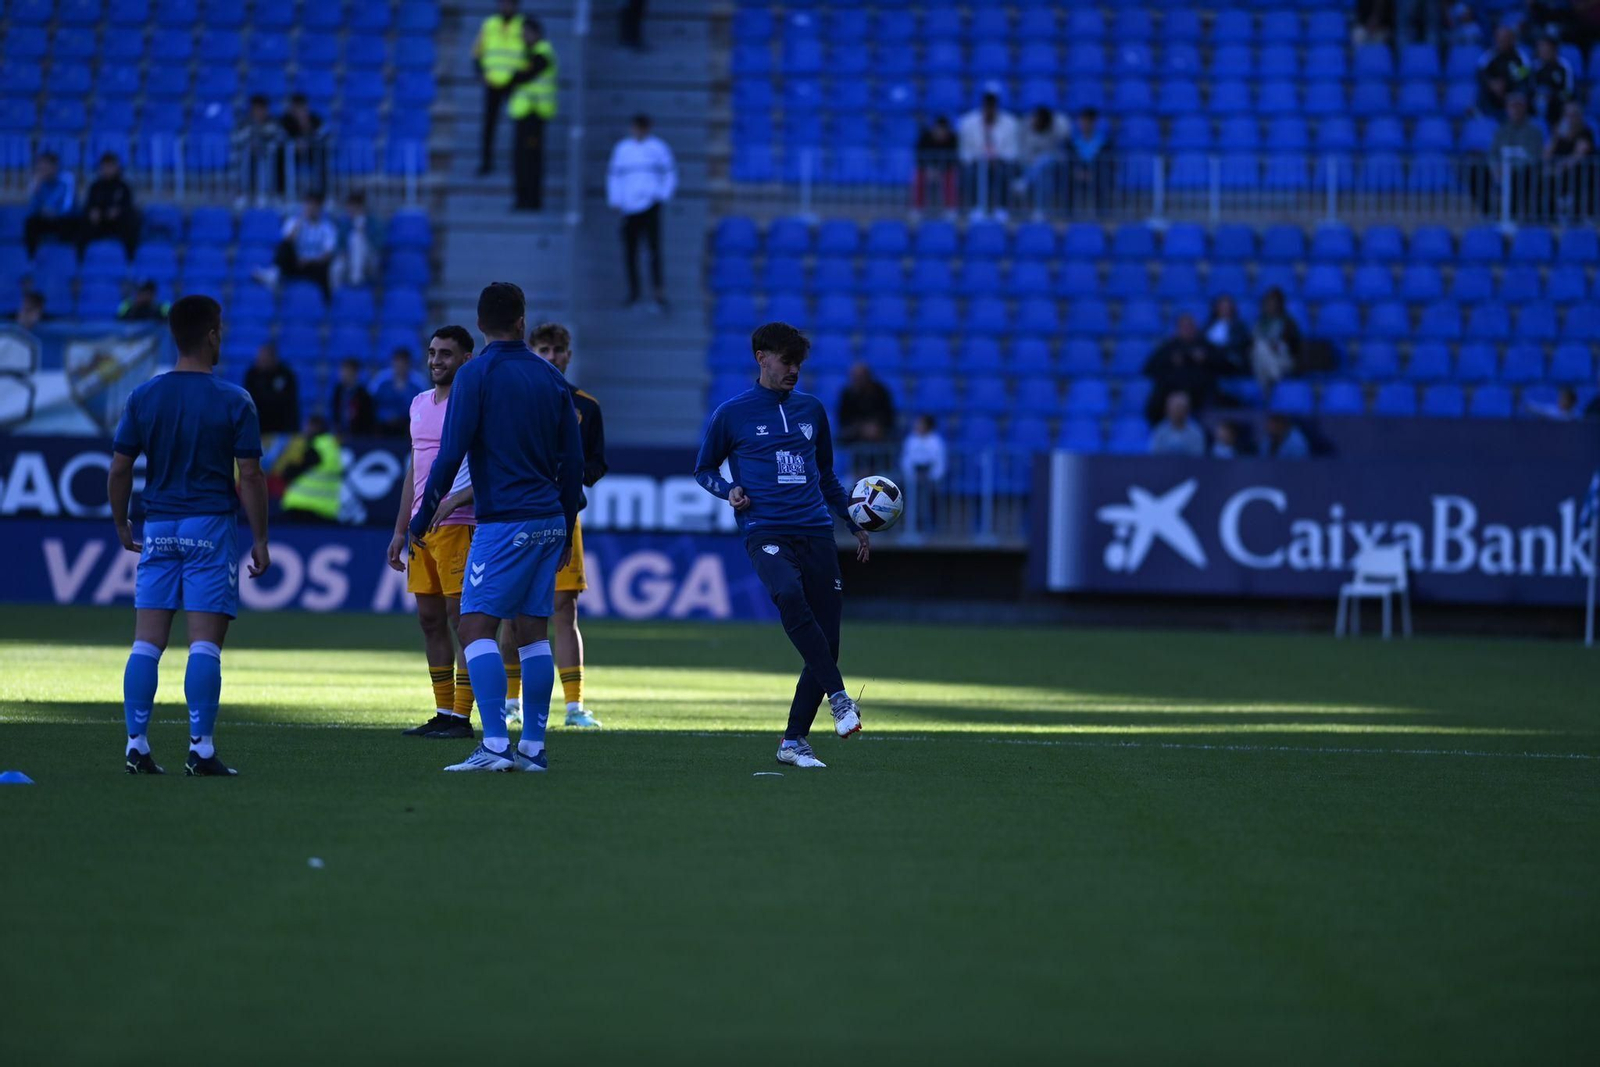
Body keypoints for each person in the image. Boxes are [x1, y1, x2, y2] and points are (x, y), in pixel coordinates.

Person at [408, 282, 584, 773]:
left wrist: (422, 516)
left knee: (474, 625)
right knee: (532, 631)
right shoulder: (551, 378)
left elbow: (450, 454)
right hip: (550, 518)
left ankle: (493, 745)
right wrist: (566, 526)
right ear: (522, 322)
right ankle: (531, 747)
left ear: (480, 325)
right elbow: (574, 462)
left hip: (505, 519)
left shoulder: (476, 374)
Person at [107, 294, 270, 776]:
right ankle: (200, 750)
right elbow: (252, 475)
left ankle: (136, 745)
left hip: (159, 527)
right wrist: (260, 539)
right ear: (212, 335)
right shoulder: (234, 399)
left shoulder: (144, 396)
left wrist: (121, 524)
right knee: (204, 644)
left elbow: (119, 469)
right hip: (209, 527)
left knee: (146, 642)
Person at [694, 323, 868, 770]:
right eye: (786, 361)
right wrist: (728, 490)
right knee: (788, 595)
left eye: (798, 363)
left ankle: (793, 741)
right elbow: (704, 469)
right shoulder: (732, 413)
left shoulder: (812, 410)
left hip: (816, 531)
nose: (793, 370)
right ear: (761, 357)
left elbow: (826, 476)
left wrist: (852, 519)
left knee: (827, 642)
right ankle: (841, 698)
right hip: (766, 530)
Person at [500, 322, 607, 730]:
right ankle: (512, 701)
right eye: (542, 349)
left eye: (557, 350)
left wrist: (573, 472)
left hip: (563, 515)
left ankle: (574, 706)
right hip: (518, 513)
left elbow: (597, 464)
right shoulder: (514, 401)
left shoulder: (587, 407)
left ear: (568, 355)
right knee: (512, 611)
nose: (550, 356)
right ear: (533, 352)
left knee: (565, 608)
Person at [388, 326, 480, 740]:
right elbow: (416, 468)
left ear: (465, 358)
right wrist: (401, 527)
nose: (435, 360)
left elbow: (488, 466)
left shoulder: (474, 405)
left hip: (461, 525)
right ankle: (443, 712)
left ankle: (461, 717)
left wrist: (458, 500)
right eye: (431, 353)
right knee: (429, 620)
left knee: (463, 621)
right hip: (423, 528)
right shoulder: (419, 404)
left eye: (445, 353)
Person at [607, 114, 678, 311]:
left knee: (654, 250)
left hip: (650, 205)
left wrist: (662, 195)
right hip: (629, 207)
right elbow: (614, 175)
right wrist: (616, 199)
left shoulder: (658, 147)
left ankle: (658, 291)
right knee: (630, 251)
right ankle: (634, 291)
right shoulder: (623, 149)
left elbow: (669, 173)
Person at [505, 18, 557, 211]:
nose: (524, 37)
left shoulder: (542, 53)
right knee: (521, 159)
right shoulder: (525, 53)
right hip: (523, 114)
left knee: (531, 160)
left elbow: (524, 75)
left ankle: (532, 200)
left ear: (537, 34)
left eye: (527, 33)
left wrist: (512, 76)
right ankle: (522, 198)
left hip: (535, 114)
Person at [473, 0, 526, 176]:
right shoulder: (489, 24)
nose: (505, 7)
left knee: (519, 125)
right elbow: (477, 51)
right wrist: (480, 72)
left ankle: (517, 162)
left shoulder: (524, 25)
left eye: (509, 4)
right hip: (492, 82)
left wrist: (521, 76)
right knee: (489, 125)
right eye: (503, 3)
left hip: (515, 83)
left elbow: (530, 51)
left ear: (516, 5)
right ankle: (486, 162)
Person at [1143, 314, 1223, 422]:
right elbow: (1148, 368)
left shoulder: (1204, 345)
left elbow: (1224, 365)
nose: (1187, 330)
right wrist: (1170, 360)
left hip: (1199, 393)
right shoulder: (1169, 347)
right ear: (1178, 329)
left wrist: (1206, 358)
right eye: (1184, 327)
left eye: (1190, 327)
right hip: (1171, 392)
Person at [256, 194, 338, 298]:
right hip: (296, 263)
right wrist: (300, 222)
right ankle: (274, 275)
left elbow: (328, 254)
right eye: (309, 204)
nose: (312, 208)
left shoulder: (327, 227)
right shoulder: (294, 222)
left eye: (315, 205)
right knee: (284, 247)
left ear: (320, 208)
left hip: (314, 266)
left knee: (326, 269)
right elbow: (287, 241)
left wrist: (309, 260)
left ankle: (328, 304)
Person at [957, 89, 1019, 218]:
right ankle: (976, 208)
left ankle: (1001, 208)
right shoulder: (968, 122)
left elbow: (1012, 150)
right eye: (987, 105)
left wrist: (997, 158)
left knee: (1004, 172)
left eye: (992, 106)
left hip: (1001, 161)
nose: (990, 109)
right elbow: (964, 150)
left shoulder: (1010, 123)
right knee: (971, 172)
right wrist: (981, 159)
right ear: (983, 106)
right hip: (976, 161)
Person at [1483, 92, 1545, 217]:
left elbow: (1534, 157)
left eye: (1519, 106)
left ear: (1525, 108)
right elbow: (1493, 154)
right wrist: (1496, 168)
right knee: (1477, 172)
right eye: (1512, 106)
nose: (1515, 110)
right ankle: (1489, 212)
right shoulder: (1501, 131)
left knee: (1522, 176)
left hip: (1523, 172)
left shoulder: (1534, 132)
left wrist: (1512, 168)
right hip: (1502, 171)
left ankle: (1514, 214)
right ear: (1507, 109)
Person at [279, 414, 344, 523]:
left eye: (307, 426)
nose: (305, 430)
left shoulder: (317, 448)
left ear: (315, 427)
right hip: (326, 509)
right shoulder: (331, 446)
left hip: (303, 506)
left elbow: (290, 472)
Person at [79, 153, 140, 259]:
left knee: (132, 221)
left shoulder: (123, 186)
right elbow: (89, 205)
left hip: (118, 222)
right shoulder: (95, 186)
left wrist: (119, 211)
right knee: (81, 223)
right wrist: (92, 212)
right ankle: (81, 259)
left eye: (110, 166)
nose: (107, 170)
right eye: (105, 167)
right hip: (99, 222)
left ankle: (130, 259)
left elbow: (128, 206)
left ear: (117, 167)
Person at [1014, 105, 1070, 214]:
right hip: (1032, 166)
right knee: (1044, 176)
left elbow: (1065, 135)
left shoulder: (1056, 126)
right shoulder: (1026, 126)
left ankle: (1025, 182)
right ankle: (1040, 210)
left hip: (1054, 162)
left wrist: (1056, 123)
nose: (1036, 122)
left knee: (1045, 159)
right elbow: (1023, 153)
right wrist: (1034, 164)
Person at [899, 414, 946, 536]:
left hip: (929, 476)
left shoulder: (936, 441)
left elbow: (940, 463)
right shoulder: (911, 439)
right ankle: (910, 526)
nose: (917, 426)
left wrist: (931, 477)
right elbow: (906, 460)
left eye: (920, 424)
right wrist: (911, 476)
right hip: (913, 475)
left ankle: (929, 526)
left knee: (927, 494)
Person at [23, 152, 77, 258]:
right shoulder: (38, 181)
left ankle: (66, 260)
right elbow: (32, 208)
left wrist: (55, 213)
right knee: (31, 223)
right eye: (40, 167)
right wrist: (35, 189)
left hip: (63, 218)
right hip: (45, 218)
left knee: (71, 225)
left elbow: (69, 205)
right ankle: (31, 261)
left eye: (45, 166)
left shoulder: (67, 179)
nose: (42, 169)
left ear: (54, 166)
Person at [1546, 101, 1595, 217]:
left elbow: (1578, 155)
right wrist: (1555, 137)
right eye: (1567, 115)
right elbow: (1545, 156)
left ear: (1580, 117)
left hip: (1582, 177)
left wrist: (1558, 169)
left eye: (1574, 115)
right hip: (1559, 176)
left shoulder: (1586, 133)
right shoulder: (1559, 136)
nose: (1571, 118)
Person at [242, 341, 299, 435]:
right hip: (259, 427)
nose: (261, 361)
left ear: (273, 358)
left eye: (264, 358)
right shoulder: (252, 375)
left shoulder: (286, 375)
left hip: (282, 428)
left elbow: (291, 403)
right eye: (260, 358)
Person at [1251, 287, 1304, 387]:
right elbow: (1253, 341)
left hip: (1283, 359)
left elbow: (1294, 347)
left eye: (1274, 303)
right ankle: (1271, 379)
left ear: (1280, 305)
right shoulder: (1260, 322)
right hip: (1262, 358)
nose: (1270, 306)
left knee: (1262, 348)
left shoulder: (1288, 322)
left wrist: (1277, 346)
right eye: (1268, 303)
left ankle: (1271, 381)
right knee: (1260, 347)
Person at [370, 348, 429, 436]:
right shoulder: (381, 380)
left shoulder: (419, 383)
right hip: (382, 425)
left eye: (404, 362)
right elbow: (371, 401)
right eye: (398, 361)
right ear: (393, 362)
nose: (400, 365)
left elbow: (424, 407)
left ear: (409, 364)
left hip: (408, 426)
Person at [233, 94, 282, 198]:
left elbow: (279, 139)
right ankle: (243, 193)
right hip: (248, 157)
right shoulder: (245, 123)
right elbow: (237, 138)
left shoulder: (273, 123)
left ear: (266, 110)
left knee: (269, 159)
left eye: (262, 109)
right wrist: (250, 144)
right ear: (252, 110)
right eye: (256, 109)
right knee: (244, 156)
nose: (259, 112)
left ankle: (265, 193)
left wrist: (264, 146)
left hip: (267, 156)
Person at [837, 361, 896, 445]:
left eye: (861, 377)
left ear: (868, 376)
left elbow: (888, 415)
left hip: (879, 432)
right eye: (855, 377)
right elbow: (843, 419)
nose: (858, 380)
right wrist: (860, 427)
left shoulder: (880, 391)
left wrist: (875, 425)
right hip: (854, 434)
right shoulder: (847, 394)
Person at [1477, 25, 1530, 118]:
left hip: (1513, 89)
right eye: (1499, 39)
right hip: (1494, 91)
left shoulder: (1521, 56)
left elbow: (1525, 72)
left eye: (1505, 38)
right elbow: (1480, 72)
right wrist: (1492, 83)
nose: (1502, 41)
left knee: (1522, 92)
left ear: (1512, 39)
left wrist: (1505, 83)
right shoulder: (1490, 55)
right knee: (1481, 90)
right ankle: (1484, 117)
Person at [278, 92, 326, 194]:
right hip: (291, 152)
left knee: (323, 155)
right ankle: (282, 191)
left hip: (311, 150)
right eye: (296, 108)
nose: (299, 111)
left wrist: (306, 126)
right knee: (280, 156)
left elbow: (322, 134)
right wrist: (295, 143)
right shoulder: (285, 120)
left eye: (302, 107)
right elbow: (282, 136)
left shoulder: (314, 119)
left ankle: (321, 191)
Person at [332, 191, 382, 289]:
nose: (350, 210)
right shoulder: (345, 223)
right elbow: (338, 245)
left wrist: (364, 232)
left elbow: (379, 245)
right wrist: (341, 252)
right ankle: (336, 296)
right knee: (336, 268)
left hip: (370, 260)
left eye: (353, 207)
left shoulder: (374, 222)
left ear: (360, 207)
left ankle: (356, 280)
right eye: (348, 207)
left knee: (357, 238)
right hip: (348, 258)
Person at [913, 115, 959, 212]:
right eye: (939, 130)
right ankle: (917, 209)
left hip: (945, 170)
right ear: (934, 129)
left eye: (944, 131)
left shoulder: (952, 139)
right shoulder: (925, 137)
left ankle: (950, 209)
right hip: (927, 170)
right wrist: (929, 169)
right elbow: (919, 158)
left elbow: (953, 160)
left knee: (951, 176)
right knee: (919, 175)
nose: (941, 133)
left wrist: (940, 171)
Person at [1067, 108, 1110, 211]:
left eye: (1087, 121)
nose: (1084, 124)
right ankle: (1068, 213)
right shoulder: (1073, 141)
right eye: (1082, 121)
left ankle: (1101, 213)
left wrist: (1092, 173)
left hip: (1096, 173)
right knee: (1066, 179)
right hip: (1077, 173)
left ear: (1093, 123)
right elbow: (1069, 160)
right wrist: (1077, 171)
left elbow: (1105, 160)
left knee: (1103, 177)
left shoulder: (1103, 142)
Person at [1529, 34, 1576, 127]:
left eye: (1545, 48)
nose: (1542, 51)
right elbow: (1530, 88)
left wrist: (1553, 96)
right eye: (1540, 48)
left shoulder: (1564, 67)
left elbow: (1569, 92)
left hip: (1558, 105)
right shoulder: (1534, 66)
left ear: (1554, 49)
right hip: (1538, 102)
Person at [1204, 294, 1252, 376]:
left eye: (1227, 307)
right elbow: (1203, 341)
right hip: (1211, 359)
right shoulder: (1209, 325)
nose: (1224, 309)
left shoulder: (1239, 326)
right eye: (1222, 307)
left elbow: (1240, 344)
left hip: (1230, 360)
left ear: (1232, 308)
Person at [1148, 392, 1206, 457]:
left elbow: (1199, 458)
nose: (1177, 411)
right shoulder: (1160, 430)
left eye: (1180, 408)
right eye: (1174, 408)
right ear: (1167, 410)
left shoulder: (1196, 432)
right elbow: (1154, 456)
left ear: (1187, 410)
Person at [330, 356, 376, 436]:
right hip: (340, 434)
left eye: (346, 371)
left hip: (359, 436)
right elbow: (335, 412)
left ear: (354, 373)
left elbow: (368, 420)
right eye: (342, 371)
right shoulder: (338, 390)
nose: (343, 374)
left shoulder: (364, 395)